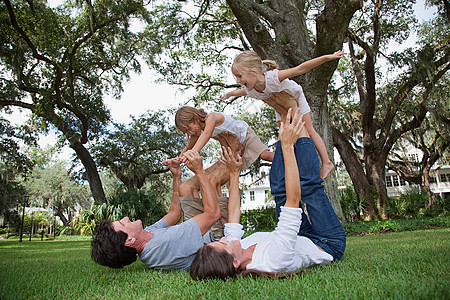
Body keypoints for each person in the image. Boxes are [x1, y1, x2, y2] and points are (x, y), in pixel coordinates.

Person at [189, 108, 346, 280]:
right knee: (309, 187)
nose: (223, 239)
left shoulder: (236, 249)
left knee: (278, 187)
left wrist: (234, 174)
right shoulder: (272, 259)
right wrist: (286, 146)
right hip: (325, 242)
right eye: (222, 244)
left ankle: (291, 119)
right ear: (235, 262)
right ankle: (300, 128)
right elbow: (293, 200)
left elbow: (233, 215)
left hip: (298, 237)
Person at [221, 50, 345, 179]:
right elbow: (240, 92)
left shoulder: (273, 78)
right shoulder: (251, 89)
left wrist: (327, 57)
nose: (238, 80)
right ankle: (294, 163)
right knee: (285, 135)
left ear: (253, 72)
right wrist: (230, 94)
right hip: (280, 108)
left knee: (308, 130)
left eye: (239, 76)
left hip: (295, 100)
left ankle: (327, 162)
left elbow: (300, 69)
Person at [91, 150, 221, 270]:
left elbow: (174, 214)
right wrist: (199, 171)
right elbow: (213, 214)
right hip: (217, 237)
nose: (125, 218)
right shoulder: (165, 243)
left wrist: (176, 176)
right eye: (122, 224)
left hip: (204, 231)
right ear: (129, 240)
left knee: (185, 188)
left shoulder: (146, 238)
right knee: (218, 175)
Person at [173, 106, 273, 171]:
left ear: (195, 118)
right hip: (234, 147)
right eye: (186, 132)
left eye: (189, 129)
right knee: (229, 173)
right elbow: (188, 148)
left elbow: (207, 134)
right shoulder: (196, 132)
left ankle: (286, 156)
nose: (189, 134)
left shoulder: (211, 118)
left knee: (265, 155)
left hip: (245, 135)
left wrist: (193, 153)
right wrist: (178, 160)